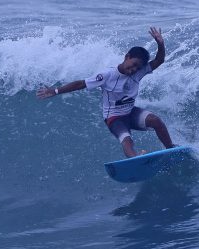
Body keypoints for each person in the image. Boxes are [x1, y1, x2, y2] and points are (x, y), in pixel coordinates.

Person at [37, 27, 176, 158]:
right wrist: (55, 91)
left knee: (155, 121)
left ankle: (171, 149)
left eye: (137, 67)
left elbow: (159, 60)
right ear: (126, 57)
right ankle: (136, 158)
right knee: (127, 141)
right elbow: (81, 84)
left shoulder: (139, 72)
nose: (134, 69)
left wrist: (161, 44)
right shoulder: (107, 75)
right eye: (133, 64)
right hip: (114, 118)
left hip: (130, 112)